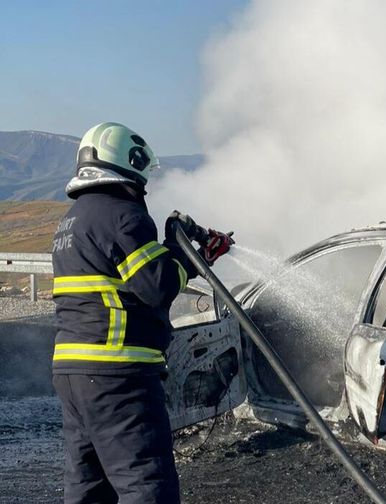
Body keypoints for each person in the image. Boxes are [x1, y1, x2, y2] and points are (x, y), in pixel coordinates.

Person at [51, 122, 232, 503]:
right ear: (128, 161)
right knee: (146, 484)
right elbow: (158, 287)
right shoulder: (123, 215)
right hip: (118, 375)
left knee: (88, 487)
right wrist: (186, 253)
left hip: (73, 372)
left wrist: (182, 252)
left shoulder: (73, 219)